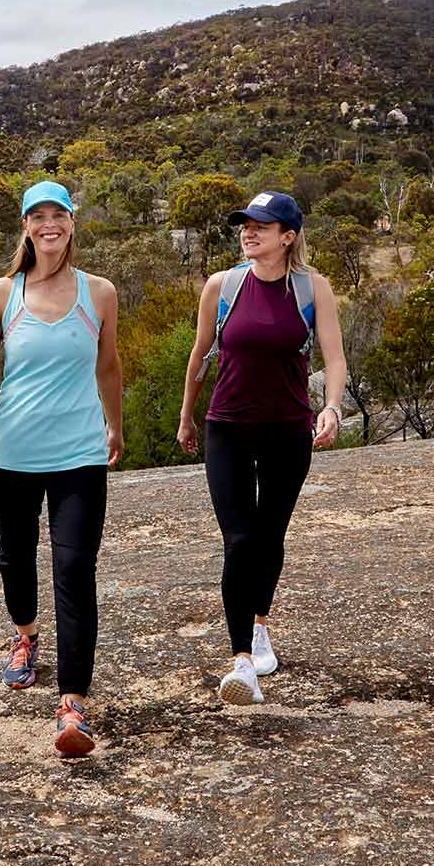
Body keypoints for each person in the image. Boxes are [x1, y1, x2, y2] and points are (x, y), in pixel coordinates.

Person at [0, 180, 123, 757]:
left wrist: (115, 428)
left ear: (72, 222)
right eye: (38, 216)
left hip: (79, 454)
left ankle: (74, 705)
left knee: (75, 570)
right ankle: (25, 636)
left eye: (59, 214)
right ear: (26, 226)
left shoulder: (99, 293)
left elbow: (109, 367)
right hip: (13, 454)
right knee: (15, 555)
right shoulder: (2, 294)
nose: (49, 224)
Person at [177, 190, 346, 706]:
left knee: (270, 536)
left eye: (262, 226)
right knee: (240, 540)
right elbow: (201, 353)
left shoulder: (312, 288)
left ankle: (260, 623)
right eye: (245, 225)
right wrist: (187, 415)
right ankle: (242, 662)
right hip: (227, 427)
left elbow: (335, 358)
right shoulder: (221, 285)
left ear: (287, 236)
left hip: (287, 432)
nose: (249, 233)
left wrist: (332, 406)